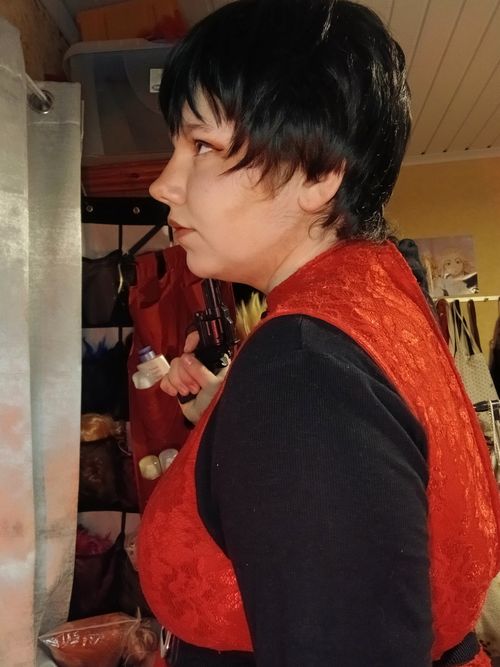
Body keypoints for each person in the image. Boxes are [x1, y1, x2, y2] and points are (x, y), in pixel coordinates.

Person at [137, 1, 500, 665]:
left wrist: (272, 405)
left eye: (202, 146)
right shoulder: (377, 291)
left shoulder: (303, 367)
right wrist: (229, 421)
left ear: (318, 171)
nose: (164, 184)